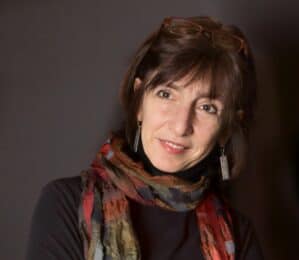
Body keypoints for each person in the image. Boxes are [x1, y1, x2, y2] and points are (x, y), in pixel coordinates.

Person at [26, 16, 264, 260]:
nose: (181, 125)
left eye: (207, 108)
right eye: (166, 94)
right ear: (139, 100)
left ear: (225, 129)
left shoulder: (238, 235)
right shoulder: (65, 204)